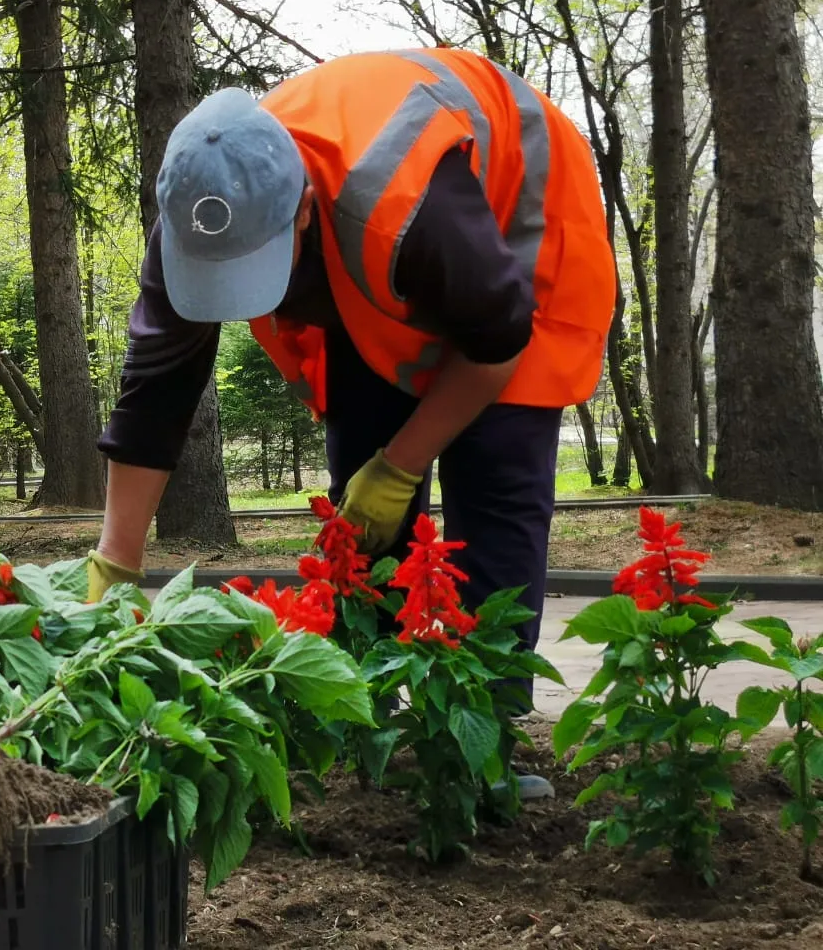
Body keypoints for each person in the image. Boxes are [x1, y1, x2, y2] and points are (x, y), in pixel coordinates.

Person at [85, 48, 616, 798]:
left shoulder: (403, 209)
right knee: (358, 513)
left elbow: (497, 345)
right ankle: (366, 711)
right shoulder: (199, 213)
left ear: (302, 206)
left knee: (493, 476)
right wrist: (115, 563)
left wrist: (402, 465)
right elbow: (155, 391)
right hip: (379, 277)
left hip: (515, 232)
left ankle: (480, 741)